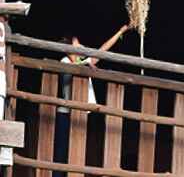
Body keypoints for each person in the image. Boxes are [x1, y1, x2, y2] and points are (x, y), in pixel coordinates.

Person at [52, 25, 128, 177]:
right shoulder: (64, 61)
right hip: (66, 114)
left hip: (82, 113)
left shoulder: (83, 60)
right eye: (78, 44)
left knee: (77, 153)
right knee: (61, 155)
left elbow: (102, 51)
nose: (81, 46)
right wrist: (86, 64)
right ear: (70, 46)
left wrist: (120, 31)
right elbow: (75, 69)